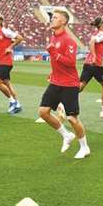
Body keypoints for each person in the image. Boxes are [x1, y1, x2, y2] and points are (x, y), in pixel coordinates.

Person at [38, 10, 90, 159]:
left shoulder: (69, 40)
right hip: (56, 82)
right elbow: (57, 62)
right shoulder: (53, 38)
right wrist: (52, 72)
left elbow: (70, 62)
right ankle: (66, 135)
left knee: (73, 118)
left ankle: (84, 147)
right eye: (52, 17)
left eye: (55, 18)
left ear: (63, 22)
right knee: (43, 112)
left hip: (69, 84)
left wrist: (54, 53)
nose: (52, 20)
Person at [0, 14, 24, 114]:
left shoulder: (5, 31)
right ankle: (18, 104)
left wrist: (10, 47)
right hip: (0, 62)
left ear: (0, 21)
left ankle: (12, 102)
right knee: (7, 84)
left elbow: (20, 38)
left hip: (6, 61)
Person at [79, 17, 103, 118]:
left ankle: (62, 102)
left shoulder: (96, 33)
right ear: (102, 24)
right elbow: (91, 43)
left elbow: (95, 45)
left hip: (88, 63)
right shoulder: (102, 34)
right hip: (96, 64)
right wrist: (95, 56)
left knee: (80, 86)